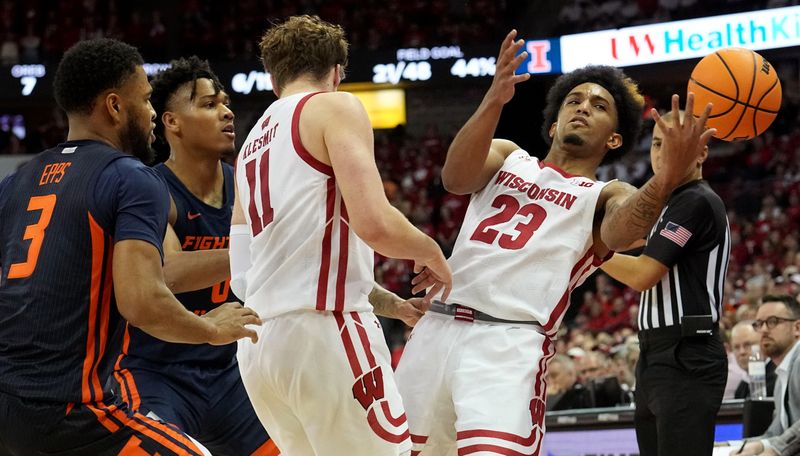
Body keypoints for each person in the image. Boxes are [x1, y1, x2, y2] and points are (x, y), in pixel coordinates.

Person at [394, 30, 715, 455]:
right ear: (553, 123)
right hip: (435, 327)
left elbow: (623, 232)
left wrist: (668, 176)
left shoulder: (606, 193)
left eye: (600, 106)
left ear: (614, 138)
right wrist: (494, 98)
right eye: (574, 101)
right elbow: (454, 178)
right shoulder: (509, 155)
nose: (583, 107)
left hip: (508, 343)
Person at [0, 38, 261, 455]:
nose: (152, 113)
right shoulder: (130, 177)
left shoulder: (16, 181)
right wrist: (213, 329)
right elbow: (142, 301)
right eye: (145, 100)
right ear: (115, 107)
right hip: (78, 410)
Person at [229, 15, 452, 456]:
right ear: (336, 72)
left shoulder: (251, 142)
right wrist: (431, 250)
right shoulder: (336, 106)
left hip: (260, 349)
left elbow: (242, 274)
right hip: (325, 334)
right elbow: (374, 224)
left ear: (273, 79)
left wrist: (389, 304)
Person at [110, 56, 275, 456]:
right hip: (155, 370)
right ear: (172, 122)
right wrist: (260, 247)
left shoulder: (248, 186)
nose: (226, 112)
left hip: (230, 371)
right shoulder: (147, 186)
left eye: (225, 103)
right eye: (208, 104)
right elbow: (170, 272)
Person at [600, 109, 730, 455]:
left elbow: (643, 274)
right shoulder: (672, 203)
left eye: (671, 144)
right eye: (656, 144)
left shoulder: (695, 201)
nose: (661, 153)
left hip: (687, 354)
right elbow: (621, 239)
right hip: (657, 353)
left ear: (701, 152)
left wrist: (592, 255)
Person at [734, 295, 800, 456]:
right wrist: (756, 446)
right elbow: (776, 433)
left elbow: (779, 443)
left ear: (797, 328)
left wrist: (775, 451)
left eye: (773, 321)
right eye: (759, 324)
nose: (763, 330)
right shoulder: (782, 375)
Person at [732, 320, 777, 399]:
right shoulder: (742, 387)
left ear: (764, 343)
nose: (742, 352)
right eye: (736, 347)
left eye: (748, 345)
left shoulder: (777, 377)